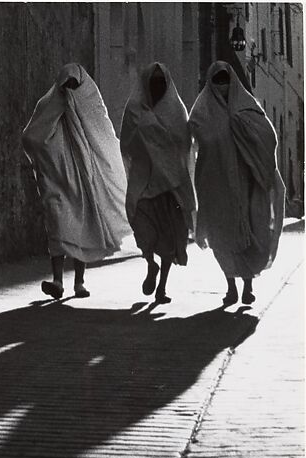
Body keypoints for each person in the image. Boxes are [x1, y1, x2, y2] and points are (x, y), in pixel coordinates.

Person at [22, 63, 131, 299]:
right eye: (66, 86)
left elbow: (103, 135)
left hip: (84, 179)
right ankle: (58, 280)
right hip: (57, 178)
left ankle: (79, 282)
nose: (70, 91)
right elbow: (31, 136)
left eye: (74, 86)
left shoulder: (90, 104)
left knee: (83, 227)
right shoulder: (48, 105)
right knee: (59, 226)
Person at [188, 61, 285, 305]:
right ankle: (231, 285)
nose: (222, 85)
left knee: (250, 233)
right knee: (222, 238)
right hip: (216, 185)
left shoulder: (247, 108)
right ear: (211, 82)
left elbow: (267, 135)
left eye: (225, 80)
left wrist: (242, 131)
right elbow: (197, 136)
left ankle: (248, 285)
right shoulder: (202, 111)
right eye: (217, 80)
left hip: (247, 183)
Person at [120, 62, 196, 304]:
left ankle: (161, 287)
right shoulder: (134, 109)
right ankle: (149, 263)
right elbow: (126, 143)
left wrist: (161, 144)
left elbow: (183, 145)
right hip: (143, 181)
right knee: (141, 226)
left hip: (170, 185)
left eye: (161, 83)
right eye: (153, 83)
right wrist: (145, 134)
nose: (157, 87)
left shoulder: (176, 109)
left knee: (169, 236)